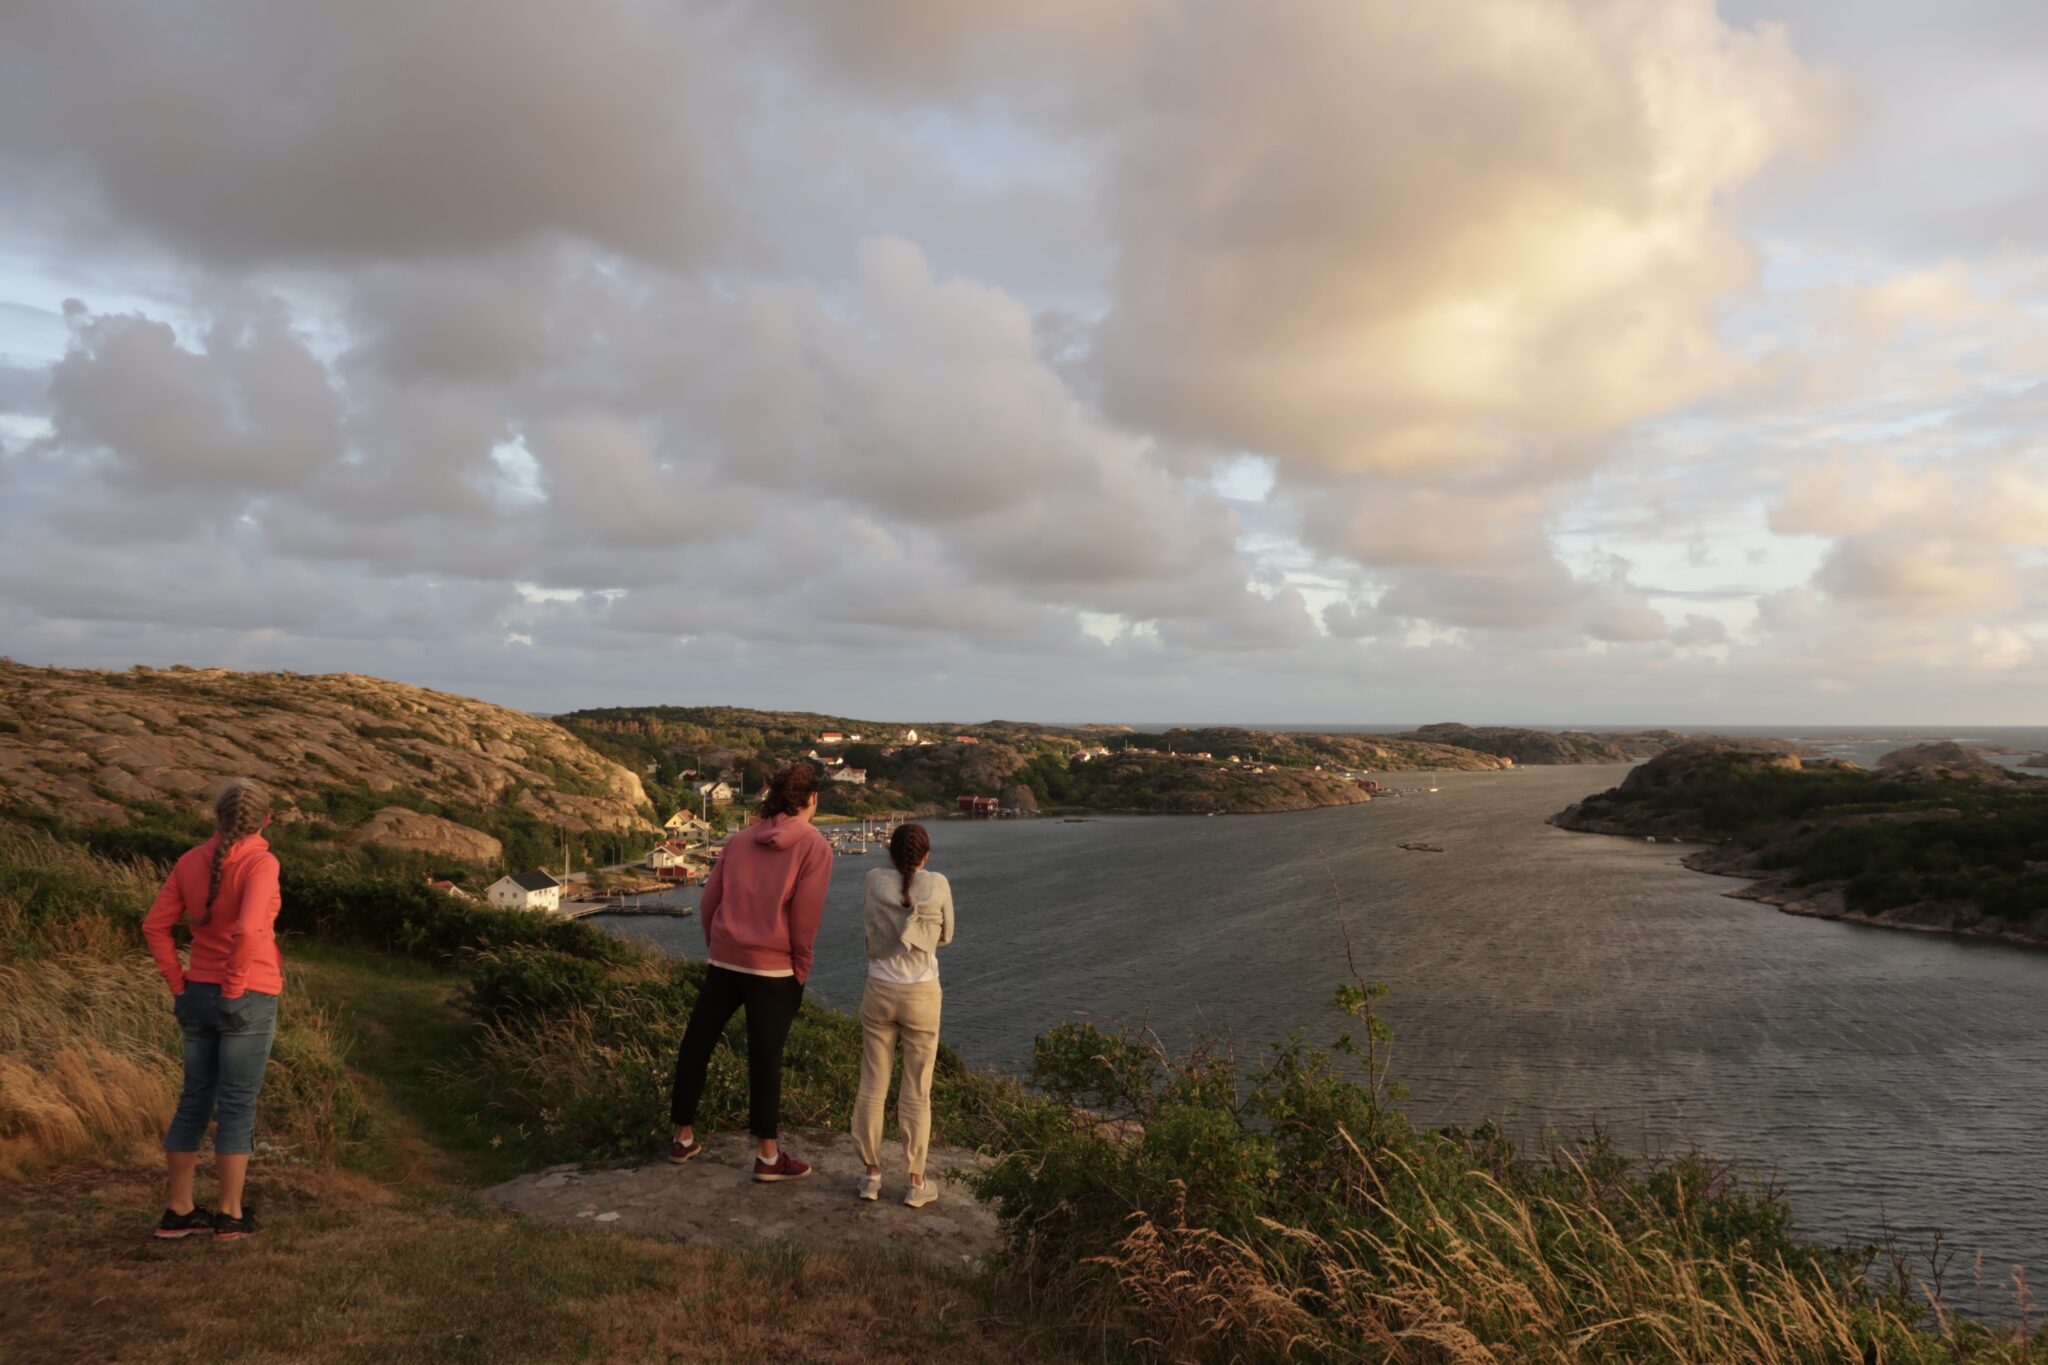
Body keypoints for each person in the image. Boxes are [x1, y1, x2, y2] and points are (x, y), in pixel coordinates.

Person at [668, 763, 834, 1181]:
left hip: (725, 959)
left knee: (697, 1043)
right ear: (812, 799)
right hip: (774, 969)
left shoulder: (739, 840)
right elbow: (805, 918)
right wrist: (802, 966)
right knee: (765, 1059)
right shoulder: (815, 847)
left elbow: (710, 903)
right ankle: (767, 1156)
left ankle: (682, 1137)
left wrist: (718, 945)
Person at [141, 779, 282, 1241]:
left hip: (197, 993)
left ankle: (179, 1211)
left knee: (194, 1098)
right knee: (237, 1103)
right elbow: (246, 932)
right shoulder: (262, 862)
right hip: (246, 995)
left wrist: (178, 984)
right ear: (266, 819)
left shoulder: (188, 861)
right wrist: (236, 988)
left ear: (217, 818)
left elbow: (154, 928)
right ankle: (229, 1215)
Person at [851, 822, 953, 1207]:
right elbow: (948, 935)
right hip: (922, 993)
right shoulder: (938, 884)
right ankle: (915, 1181)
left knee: (873, 1084)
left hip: (879, 988)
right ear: (925, 856)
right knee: (917, 1089)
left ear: (890, 853)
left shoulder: (874, 880)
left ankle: (871, 1175)